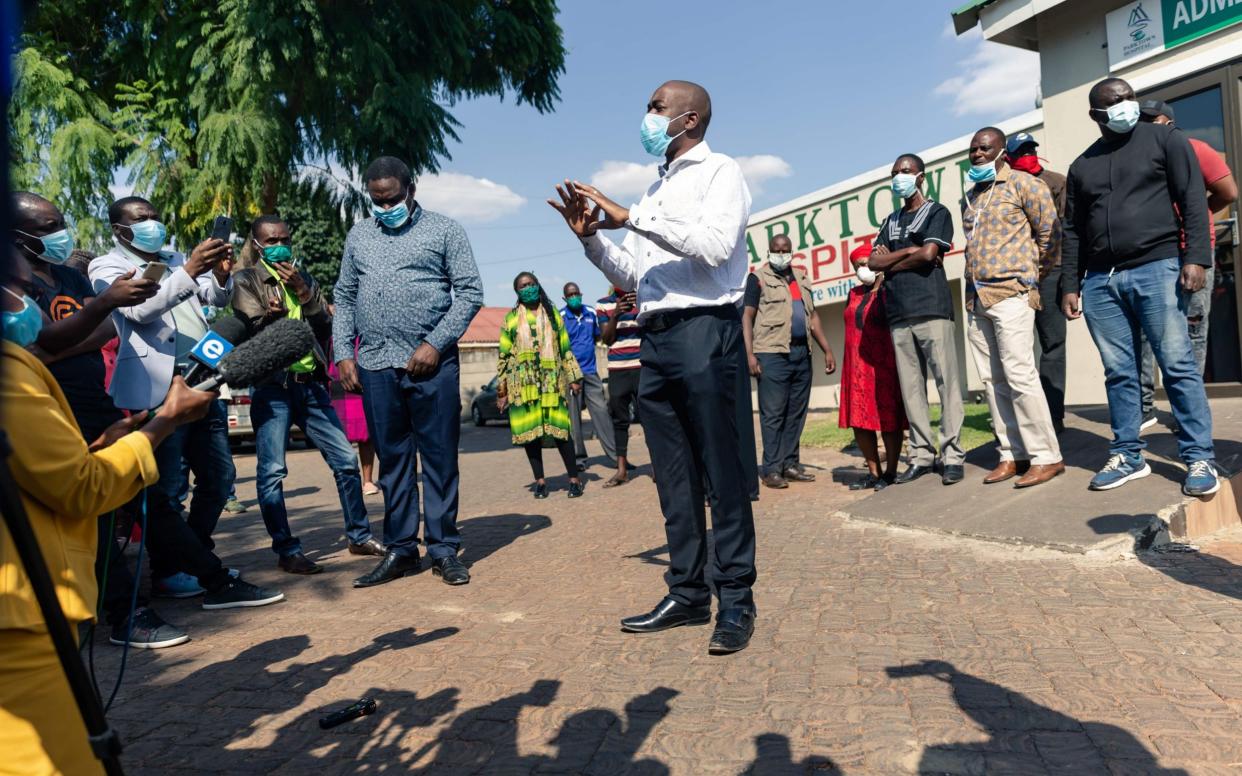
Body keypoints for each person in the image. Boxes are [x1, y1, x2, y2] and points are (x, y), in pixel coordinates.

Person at [548, 79, 758, 654]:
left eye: (656, 108)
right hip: (655, 339)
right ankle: (688, 593)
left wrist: (632, 215)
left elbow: (715, 248)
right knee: (673, 476)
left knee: (722, 473)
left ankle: (735, 599)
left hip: (704, 332)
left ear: (689, 119)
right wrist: (592, 241)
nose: (646, 115)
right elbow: (640, 278)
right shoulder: (656, 187)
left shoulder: (721, 173)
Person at [0, 256, 219, 776]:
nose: (30, 281)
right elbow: (82, 490)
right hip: (22, 625)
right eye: (13, 274)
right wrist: (163, 423)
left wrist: (100, 447)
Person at [12, 192, 190, 649]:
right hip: (43, 409)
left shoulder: (70, 275)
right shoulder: (14, 287)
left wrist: (55, 346)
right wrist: (90, 316)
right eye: (46, 227)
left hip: (94, 401)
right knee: (94, 510)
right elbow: (37, 344)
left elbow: (110, 328)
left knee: (132, 499)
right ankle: (126, 614)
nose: (58, 234)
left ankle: (182, 577)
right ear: (16, 236)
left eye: (59, 223)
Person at [90, 195, 284, 608]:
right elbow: (140, 310)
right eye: (142, 219)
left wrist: (219, 276)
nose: (153, 224)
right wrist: (190, 269)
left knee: (218, 478)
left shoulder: (176, 256)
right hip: (157, 389)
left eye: (155, 216)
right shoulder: (106, 266)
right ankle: (168, 573)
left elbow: (213, 300)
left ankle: (196, 556)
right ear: (119, 229)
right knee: (170, 486)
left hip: (203, 380)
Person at [1060, 78, 1219, 496]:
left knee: (1177, 364)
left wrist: (1196, 257)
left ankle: (1200, 456)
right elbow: (1072, 231)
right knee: (1119, 372)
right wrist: (1070, 284)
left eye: (1129, 97)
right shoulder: (1083, 165)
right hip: (1101, 282)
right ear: (1097, 114)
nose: (1127, 105)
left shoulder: (1164, 138)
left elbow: (1192, 200)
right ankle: (1128, 454)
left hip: (1158, 267)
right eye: (1116, 101)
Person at [333, 156, 483, 588]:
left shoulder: (445, 230)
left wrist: (435, 343)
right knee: (393, 460)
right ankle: (401, 549)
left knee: (438, 457)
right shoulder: (360, 234)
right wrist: (345, 351)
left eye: (392, 198)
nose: (384, 207)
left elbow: (470, 292)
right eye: (376, 200)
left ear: (410, 189)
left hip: (431, 364)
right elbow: (344, 295)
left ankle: (442, 549)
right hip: (375, 363)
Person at [232, 215, 384, 575]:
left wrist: (304, 291)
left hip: (311, 385)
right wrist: (271, 318)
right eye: (271, 240)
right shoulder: (247, 279)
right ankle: (287, 550)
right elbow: (248, 328)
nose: (279, 244)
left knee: (346, 463)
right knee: (272, 471)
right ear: (256, 244)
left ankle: (358, 536)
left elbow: (326, 326)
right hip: (273, 388)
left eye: (284, 238)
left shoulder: (304, 278)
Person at [960, 127, 1065, 488]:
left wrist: (1032, 277)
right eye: (973, 149)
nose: (977, 154)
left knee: (1020, 375)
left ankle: (1046, 456)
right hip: (977, 299)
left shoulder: (1025, 184)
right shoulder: (971, 197)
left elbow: (1051, 235)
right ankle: (1012, 453)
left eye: (984, 148)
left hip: (1012, 293)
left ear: (1002, 152)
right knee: (993, 382)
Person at [1138, 99, 1238, 427]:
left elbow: (1228, 192)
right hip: (1151, 254)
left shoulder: (1195, 149)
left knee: (1193, 328)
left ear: (1168, 122)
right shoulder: (1135, 156)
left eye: (1151, 119)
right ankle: (1144, 407)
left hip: (1191, 251)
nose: (1144, 124)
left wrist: (1199, 211)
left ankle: (1187, 410)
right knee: (1146, 331)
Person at [868, 153, 964, 486]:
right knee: (912, 390)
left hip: (932, 308)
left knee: (946, 384)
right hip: (898, 313)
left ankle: (951, 455)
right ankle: (922, 456)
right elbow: (872, 263)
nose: (899, 178)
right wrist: (909, 253)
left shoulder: (937, 212)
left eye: (905, 172)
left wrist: (897, 258)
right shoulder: (890, 220)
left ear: (920, 176)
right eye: (894, 172)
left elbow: (929, 254)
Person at [742, 234, 836, 489]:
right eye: (776, 249)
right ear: (769, 251)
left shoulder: (801, 278)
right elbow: (747, 317)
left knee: (796, 412)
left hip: (800, 354)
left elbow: (813, 316)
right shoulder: (758, 279)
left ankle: (790, 463)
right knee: (773, 414)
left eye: (785, 250)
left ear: (792, 251)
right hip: (771, 354)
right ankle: (771, 469)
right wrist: (749, 355)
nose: (781, 253)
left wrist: (826, 349)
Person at [496, 272, 585, 498]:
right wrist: (502, 391)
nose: (528, 288)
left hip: (552, 382)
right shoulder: (511, 319)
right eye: (523, 286)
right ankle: (541, 481)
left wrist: (574, 378)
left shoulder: (553, 315)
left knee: (561, 431)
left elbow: (565, 348)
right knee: (531, 435)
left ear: (538, 285)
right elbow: (503, 357)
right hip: (523, 387)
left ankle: (574, 479)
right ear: (517, 292)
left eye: (531, 284)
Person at [1006, 132, 1069, 434]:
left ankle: (1054, 417)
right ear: (1008, 157)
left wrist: (1070, 278)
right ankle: (1026, 419)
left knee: (1053, 344)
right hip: (1015, 275)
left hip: (1050, 273)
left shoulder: (1055, 181)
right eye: (1021, 151)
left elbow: (1066, 229)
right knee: (1016, 349)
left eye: (1032, 149)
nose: (1028, 154)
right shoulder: (1002, 188)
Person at [839, 244, 907, 490]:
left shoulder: (890, 290)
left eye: (867, 263)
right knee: (860, 421)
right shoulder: (853, 293)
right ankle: (874, 473)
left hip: (883, 364)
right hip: (855, 366)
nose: (862, 269)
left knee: (888, 418)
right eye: (858, 266)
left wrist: (881, 282)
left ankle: (890, 472)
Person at [560, 280, 617, 471]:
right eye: (570, 295)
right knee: (574, 420)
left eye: (576, 293)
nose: (574, 297)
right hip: (571, 376)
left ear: (581, 294)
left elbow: (598, 336)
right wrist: (570, 376)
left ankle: (616, 456)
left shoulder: (591, 313)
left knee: (601, 412)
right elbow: (559, 348)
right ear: (564, 298)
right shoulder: (560, 317)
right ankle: (579, 460)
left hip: (591, 372)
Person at [597, 286, 642, 487]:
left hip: (643, 366)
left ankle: (659, 468)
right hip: (617, 369)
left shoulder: (644, 297)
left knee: (651, 418)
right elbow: (606, 339)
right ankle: (622, 470)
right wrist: (615, 314)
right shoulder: (603, 304)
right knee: (619, 420)